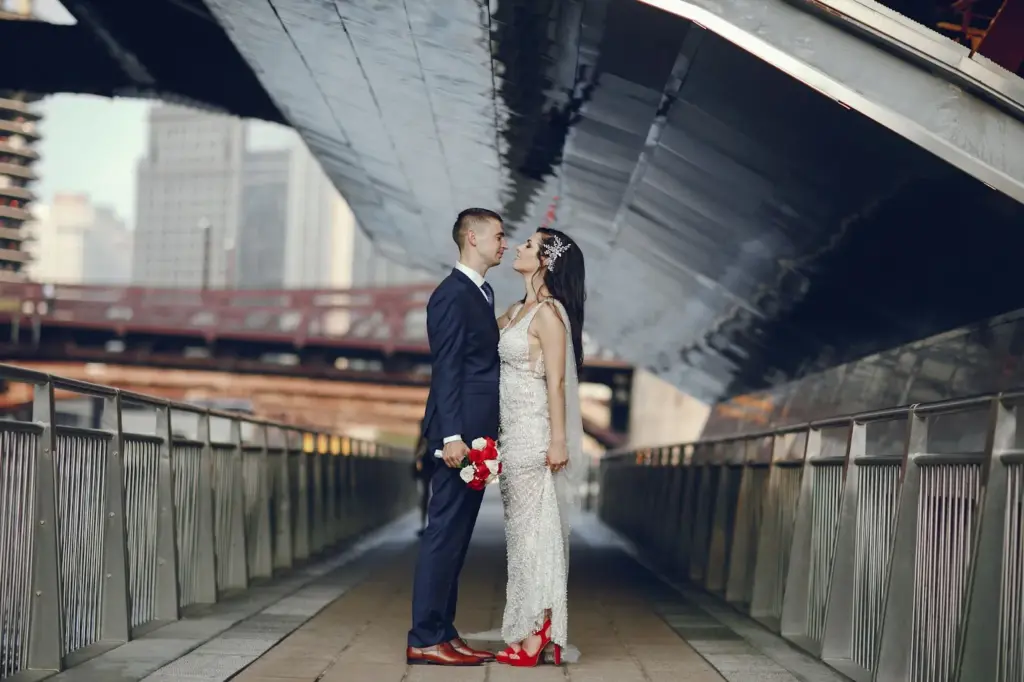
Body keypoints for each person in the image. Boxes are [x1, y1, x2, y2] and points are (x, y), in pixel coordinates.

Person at [406, 208, 507, 666]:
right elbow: (447, 367)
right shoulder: (452, 295)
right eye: (499, 236)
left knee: (457, 538)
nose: (504, 244)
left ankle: (443, 632)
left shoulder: (480, 293)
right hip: (458, 439)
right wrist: (450, 436)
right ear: (472, 237)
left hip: (474, 437)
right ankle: (424, 637)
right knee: (442, 534)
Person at [493, 227, 586, 667]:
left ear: (546, 260)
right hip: (510, 437)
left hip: (534, 435)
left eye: (528, 245)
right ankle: (533, 625)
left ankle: (538, 631)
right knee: (519, 537)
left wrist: (559, 439)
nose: (517, 247)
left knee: (535, 536)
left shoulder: (549, 314)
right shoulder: (515, 311)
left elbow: (558, 382)